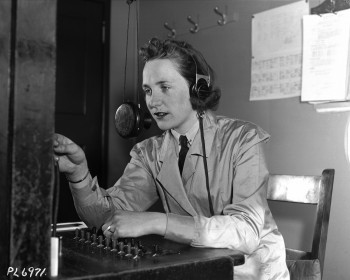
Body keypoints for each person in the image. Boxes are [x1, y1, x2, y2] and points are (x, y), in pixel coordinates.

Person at [53, 38, 290, 279]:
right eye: (148, 90)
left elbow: (245, 233)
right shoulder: (149, 152)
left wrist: (158, 222)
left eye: (164, 87)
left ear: (198, 89)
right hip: (194, 269)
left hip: (250, 272)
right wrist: (79, 175)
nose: (153, 102)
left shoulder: (243, 139)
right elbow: (108, 220)